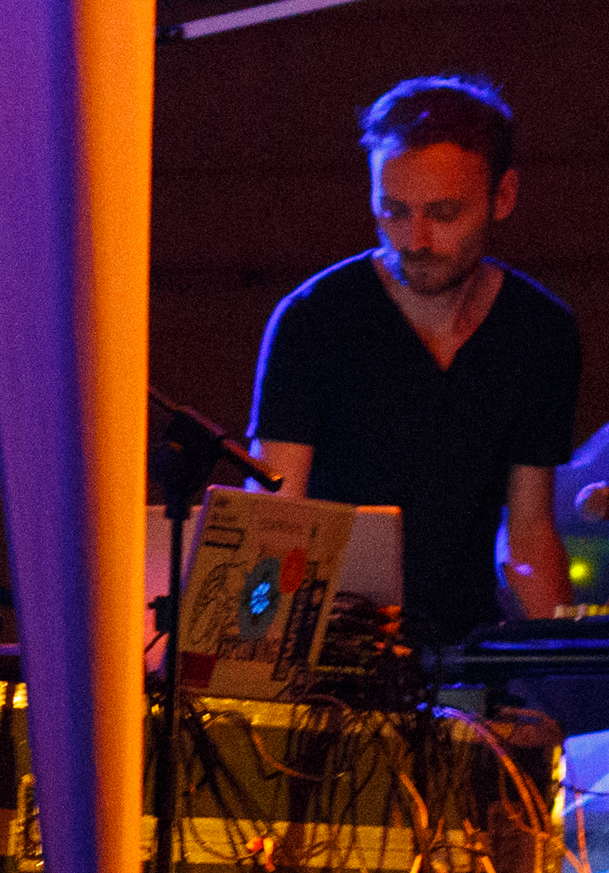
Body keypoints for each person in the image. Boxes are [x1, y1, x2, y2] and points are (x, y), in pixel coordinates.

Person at [247, 75, 579, 644]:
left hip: (464, 655)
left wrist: (566, 657)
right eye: (393, 211)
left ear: (504, 197)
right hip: (329, 657)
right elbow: (276, 519)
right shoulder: (315, 318)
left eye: (444, 213)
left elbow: (527, 533)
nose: (415, 239)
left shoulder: (540, 332)